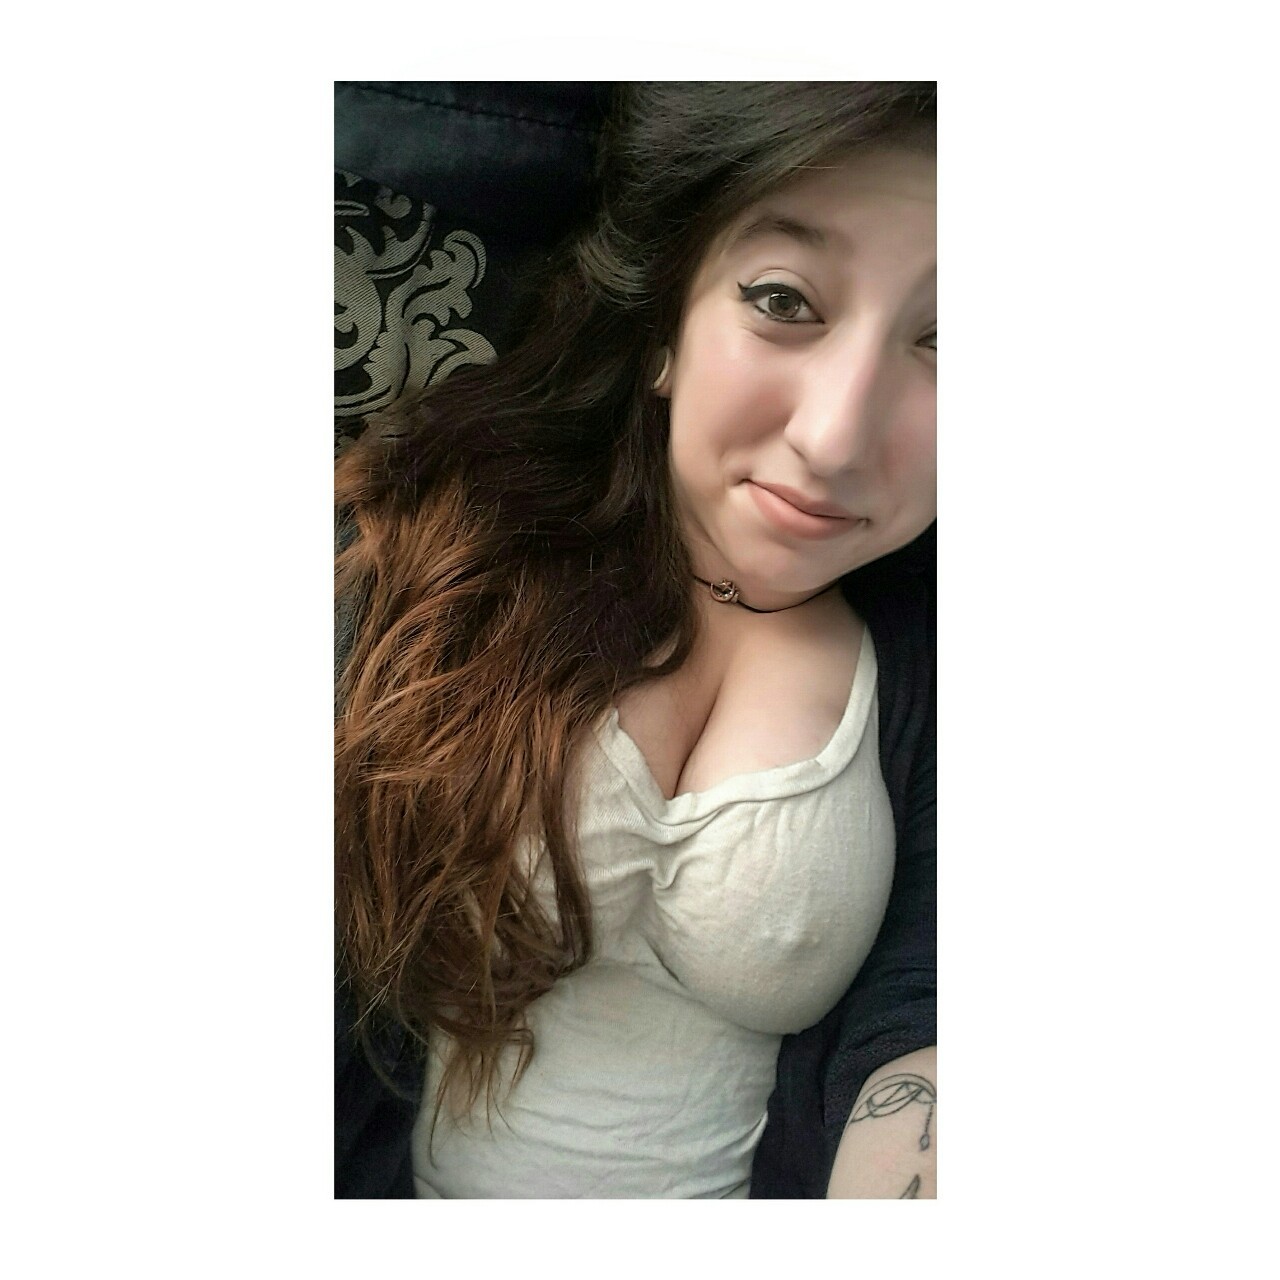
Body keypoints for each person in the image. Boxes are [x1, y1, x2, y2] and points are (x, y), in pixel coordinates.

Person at [335, 81, 937, 1199]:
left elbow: (931, 1015)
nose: (834, 437)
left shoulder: (935, 666)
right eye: (782, 300)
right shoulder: (421, 563)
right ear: (664, 323)